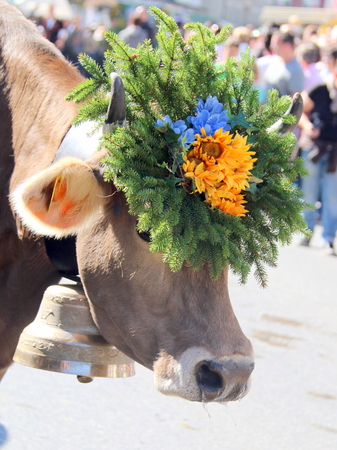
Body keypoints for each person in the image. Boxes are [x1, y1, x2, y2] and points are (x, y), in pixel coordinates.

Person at [297, 47, 337, 254]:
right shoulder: (319, 89)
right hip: (314, 148)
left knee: (332, 196)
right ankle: (307, 232)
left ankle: (329, 238)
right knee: (309, 193)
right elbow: (299, 109)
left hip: (335, 154)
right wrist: (308, 127)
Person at [264, 30, 304, 97]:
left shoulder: (296, 69)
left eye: (275, 44)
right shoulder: (275, 61)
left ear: (286, 45)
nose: (271, 47)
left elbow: (295, 100)